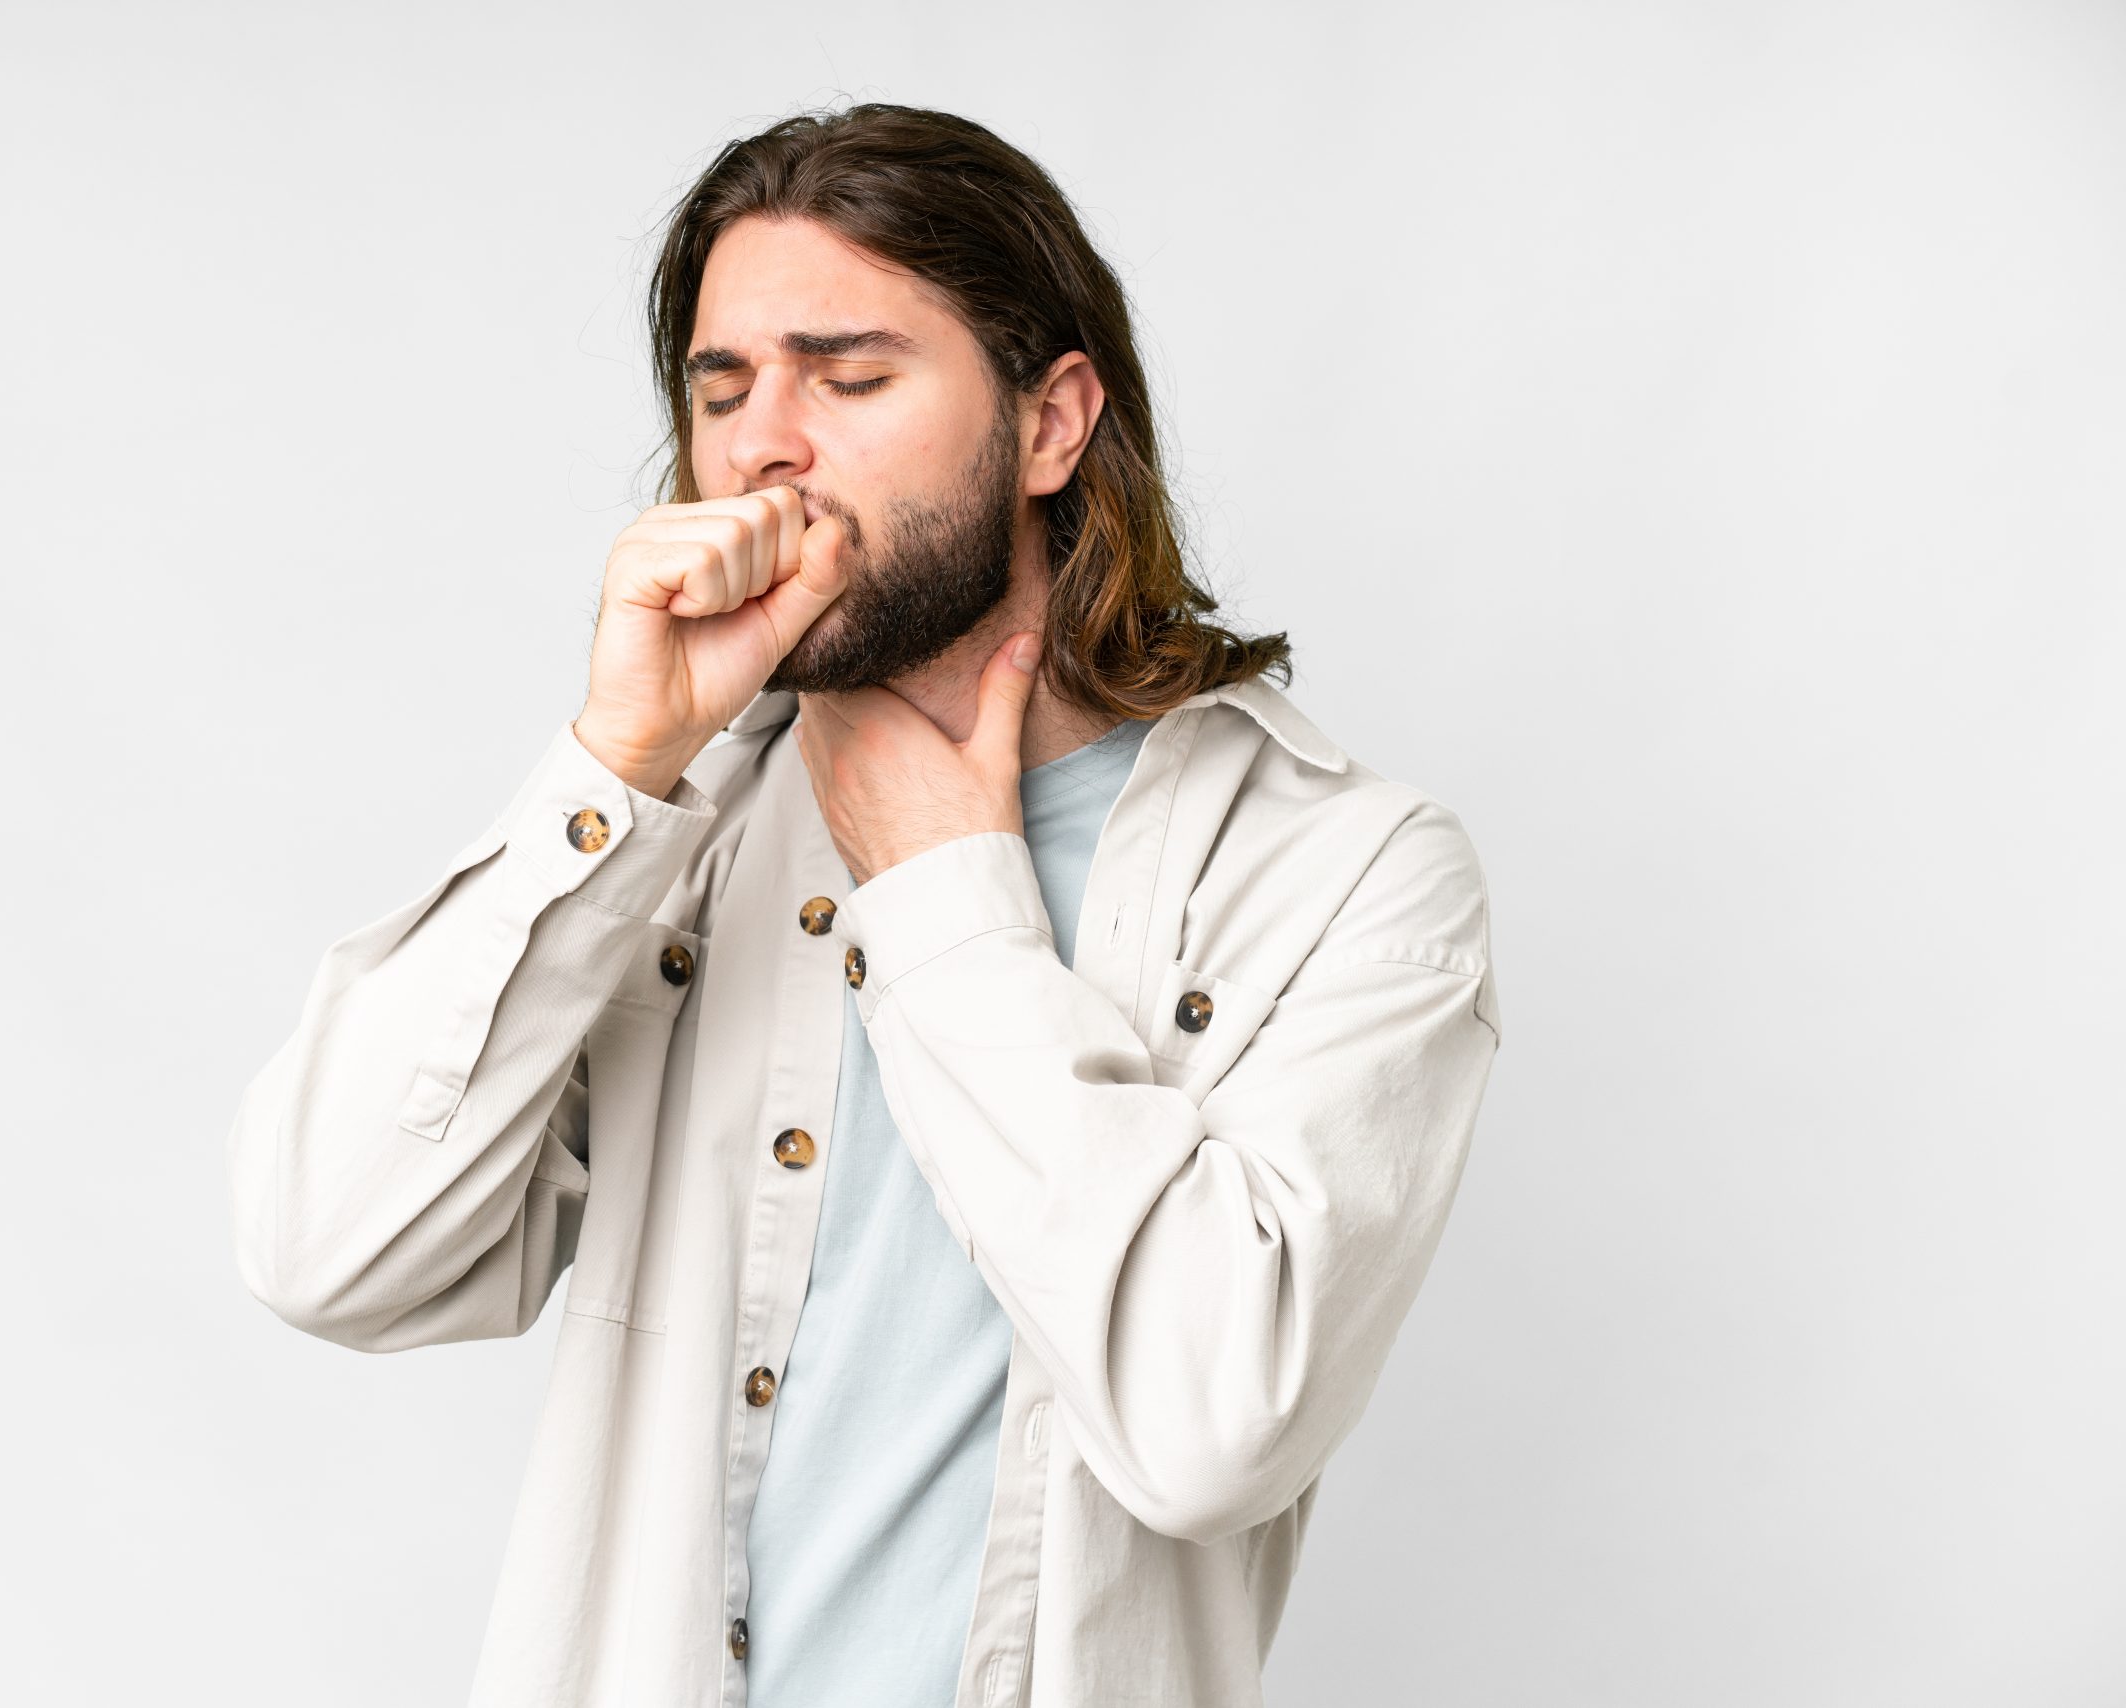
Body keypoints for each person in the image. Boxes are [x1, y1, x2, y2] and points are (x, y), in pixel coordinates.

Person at [225, 101, 1503, 1708]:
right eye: (724, 387)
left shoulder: (1341, 874)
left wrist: (948, 896)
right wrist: (616, 766)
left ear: (1051, 427)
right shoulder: (672, 831)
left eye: (852, 378)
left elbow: (1212, 1426)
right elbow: (330, 1251)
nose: (767, 441)